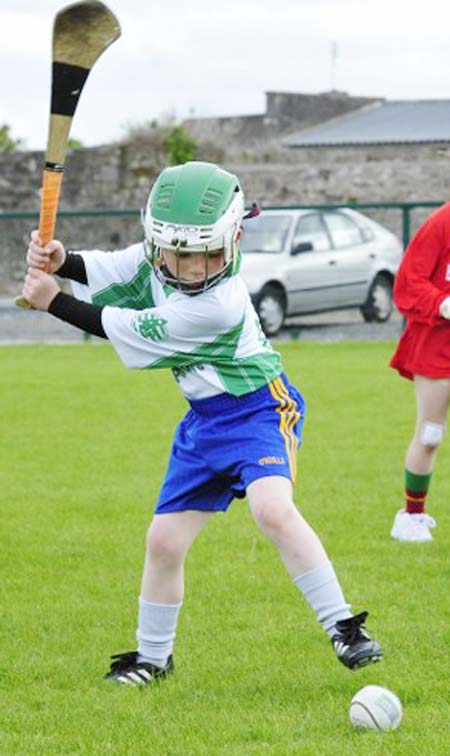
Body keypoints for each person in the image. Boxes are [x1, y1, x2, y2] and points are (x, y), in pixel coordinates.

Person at [23, 161, 381, 685]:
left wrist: (53, 301)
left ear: (234, 238)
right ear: (158, 242)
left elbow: (120, 324)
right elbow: (114, 267)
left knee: (273, 511)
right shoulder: (157, 255)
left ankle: (345, 627)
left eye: (209, 254)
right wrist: (63, 259)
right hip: (203, 424)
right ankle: (152, 659)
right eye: (181, 255)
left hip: (259, 410)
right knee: (163, 542)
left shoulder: (220, 304)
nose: (193, 268)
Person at [390, 201, 450, 542]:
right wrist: (443, 304)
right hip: (436, 346)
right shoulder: (441, 223)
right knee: (430, 433)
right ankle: (412, 515)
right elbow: (410, 283)